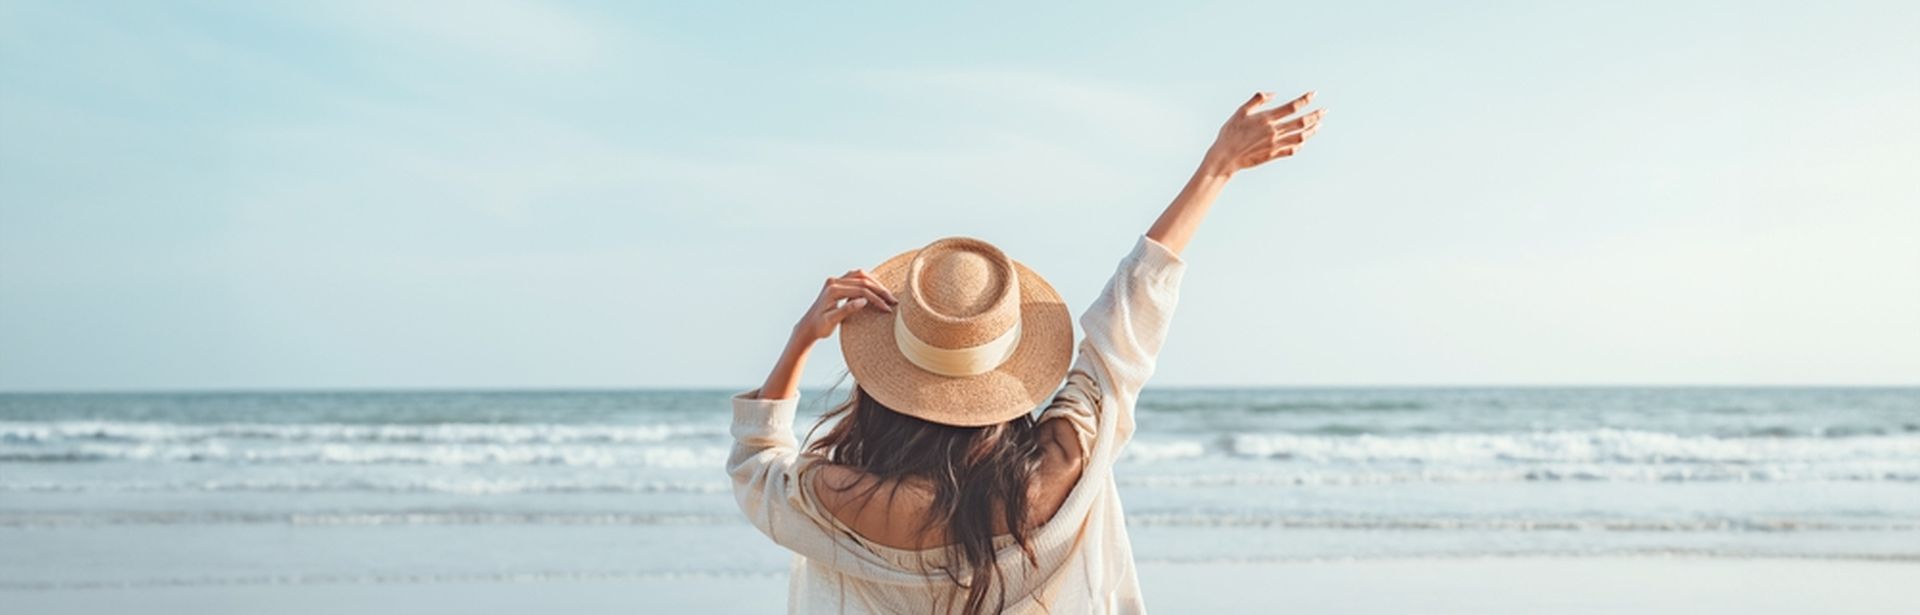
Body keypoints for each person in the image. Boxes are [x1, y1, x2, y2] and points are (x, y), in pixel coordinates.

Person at [727, 89, 1325, 614]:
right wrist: (1218, 167)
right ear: (1007, 371)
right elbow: (1130, 316)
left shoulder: (831, 500)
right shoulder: (1067, 465)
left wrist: (803, 337)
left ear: (883, 383)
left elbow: (755, 462)